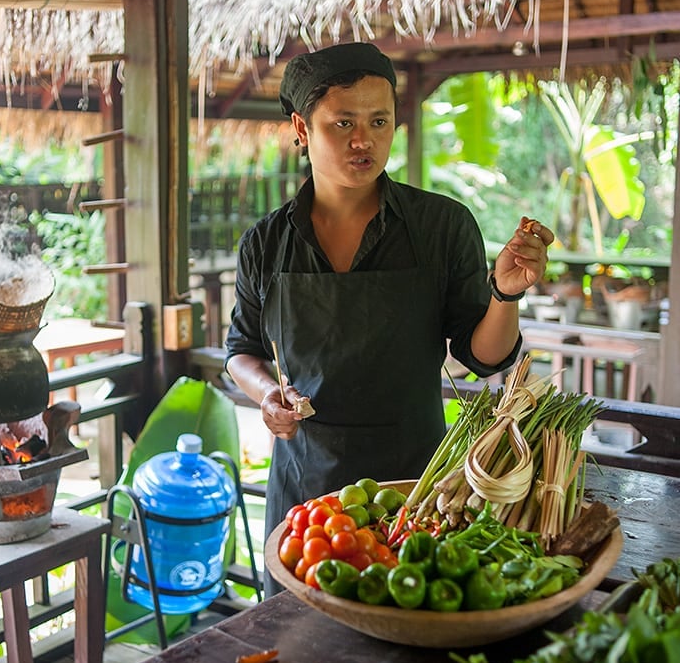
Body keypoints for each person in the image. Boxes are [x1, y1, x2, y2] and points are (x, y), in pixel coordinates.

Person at [225, 41, 553, 596]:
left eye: (379, 121)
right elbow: (242, 350)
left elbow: (483, 357)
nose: (364, 140)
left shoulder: (442, 225)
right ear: (302, 130)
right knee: (301, 642)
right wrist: (265, 395)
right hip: (306, 491)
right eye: (343, 122)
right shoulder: (266, 243)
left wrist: (504, 293)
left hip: (418, 487)